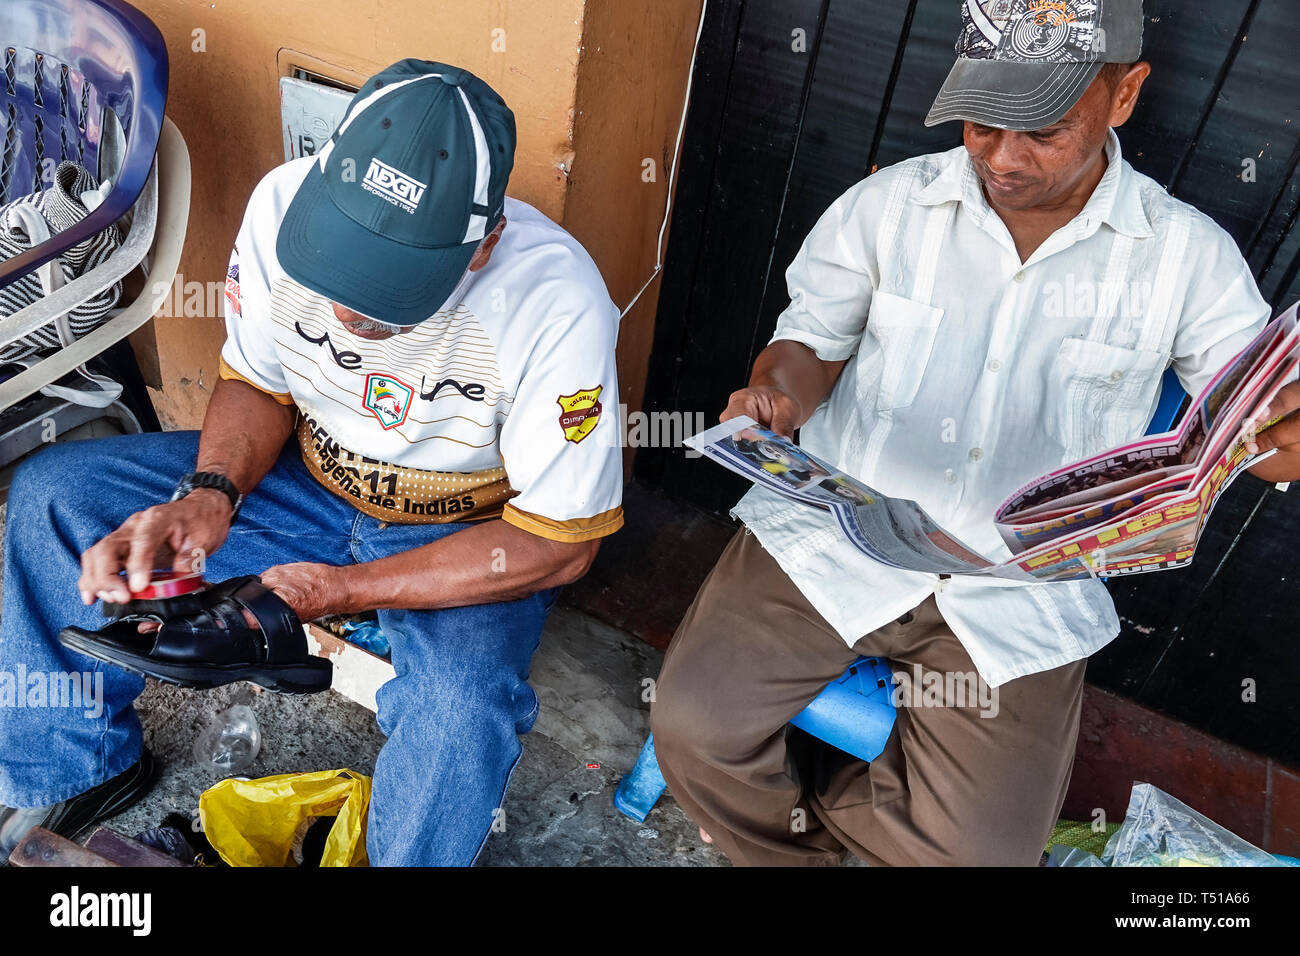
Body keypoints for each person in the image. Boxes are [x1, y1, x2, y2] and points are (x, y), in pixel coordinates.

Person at [650, 0, 1300, 865]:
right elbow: (812, 342)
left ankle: (840, 813)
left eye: (1044, 129)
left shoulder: (1187, 261)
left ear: (1125, 95)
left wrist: (1276, 436)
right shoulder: (892, 207)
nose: (1002, 156)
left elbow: (1261, 429)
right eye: (982, 122)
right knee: (693, 729)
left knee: (987, 856)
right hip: (840, 539)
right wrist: (775, 394)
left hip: (1015, 589)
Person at [0, 59, 624, 866]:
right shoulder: (279, 205)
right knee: (53, 494)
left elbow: (561, 544)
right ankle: (71, 766)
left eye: (389, 293)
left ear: (484, 245)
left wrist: (345, 589)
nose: (346, 313)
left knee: (461, 706)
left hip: (464, 534)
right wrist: (210, 493)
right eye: (338, 269)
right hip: (306, 484)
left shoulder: (557, 302)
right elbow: (255, 382)